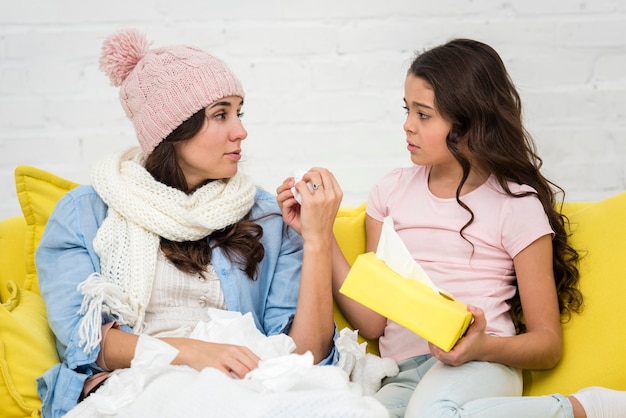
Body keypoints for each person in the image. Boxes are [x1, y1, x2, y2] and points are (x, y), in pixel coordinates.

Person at [286, 38, 626, 418]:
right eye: (407, 110)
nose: (407, 125)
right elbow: (373, 320)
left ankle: (584, 408)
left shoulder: (516, 205)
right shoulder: (390, 192)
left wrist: (481, 347)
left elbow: (546, 346)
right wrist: (321, 231)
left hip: (482, 365)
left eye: (423, 114)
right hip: (404, 373)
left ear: (468, 122)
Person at [35, 28, 347, 417]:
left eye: (239, 111)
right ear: (172, 130)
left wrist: (317, 240)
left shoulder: (266, 216)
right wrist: (191, 352)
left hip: (249, 382)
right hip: (140, 384)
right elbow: (87, 344)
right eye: (221, 114)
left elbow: (306, 357)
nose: (241, 131)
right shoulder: (86, 213)